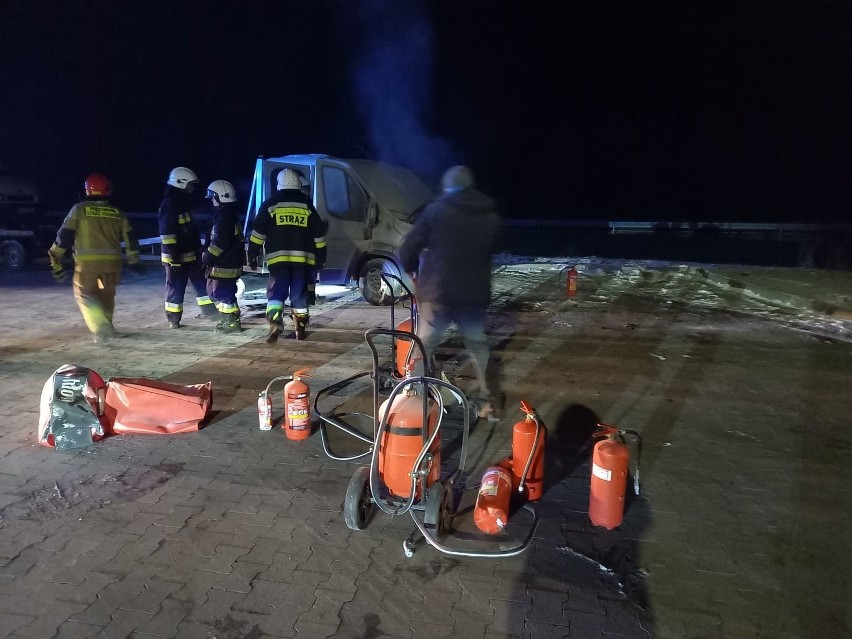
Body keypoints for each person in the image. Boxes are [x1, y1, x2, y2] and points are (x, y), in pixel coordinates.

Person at [398, 165, 503, 418]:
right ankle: (491, 404)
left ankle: (416, 402)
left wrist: (411, 266)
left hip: (438, 293)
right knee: (479, 346)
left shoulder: (436, 211)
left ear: (448, 187)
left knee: (424, 346)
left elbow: (408, 248)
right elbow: (494, 247)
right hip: (473, 296)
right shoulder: (490, 216)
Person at [48, 173, 142, 344]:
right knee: (107, 295)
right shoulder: (116, 212)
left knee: (85, 295)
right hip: (113, 266)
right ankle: (108, 327)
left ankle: (101, 329)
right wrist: (134, 261)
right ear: (107, 190)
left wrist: (55, 258)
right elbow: (130, 238)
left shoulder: (79, 210)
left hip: (87, 266)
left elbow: (65, 236)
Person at [247, 167, 326, 342]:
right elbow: (319, 235)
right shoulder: (307, 206)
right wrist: (321, 257)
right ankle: (300, 327)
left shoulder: (270, 205)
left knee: (276, 292)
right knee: (299, 294)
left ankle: (275, 321)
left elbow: (258, 233)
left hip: (278, 260)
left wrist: (252, 254)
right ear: (298, 185)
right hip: (303, 261)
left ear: (279, 185)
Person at [158, 166, 217, 328]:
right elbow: (168, 234)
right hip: (175, 258)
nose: (192, 188)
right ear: (181, 183)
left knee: (201, 285)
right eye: (190, 184)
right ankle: (174, 320)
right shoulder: (169, 204)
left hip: (191, 255)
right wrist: (174, 258)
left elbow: (187, 229)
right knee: (175, 288)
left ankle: (211, 313)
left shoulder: (182, 203)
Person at [202, 180, 245, 333]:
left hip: (225, 265)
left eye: (214, 197)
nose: (212, 200)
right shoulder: (226, 215)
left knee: (223, 293)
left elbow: (220, 243)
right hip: (224, 263)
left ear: (222, 197)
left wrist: (206, 257)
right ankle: (227, 318)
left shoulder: (225, 217)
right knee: (217, 292)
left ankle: (232, 321)